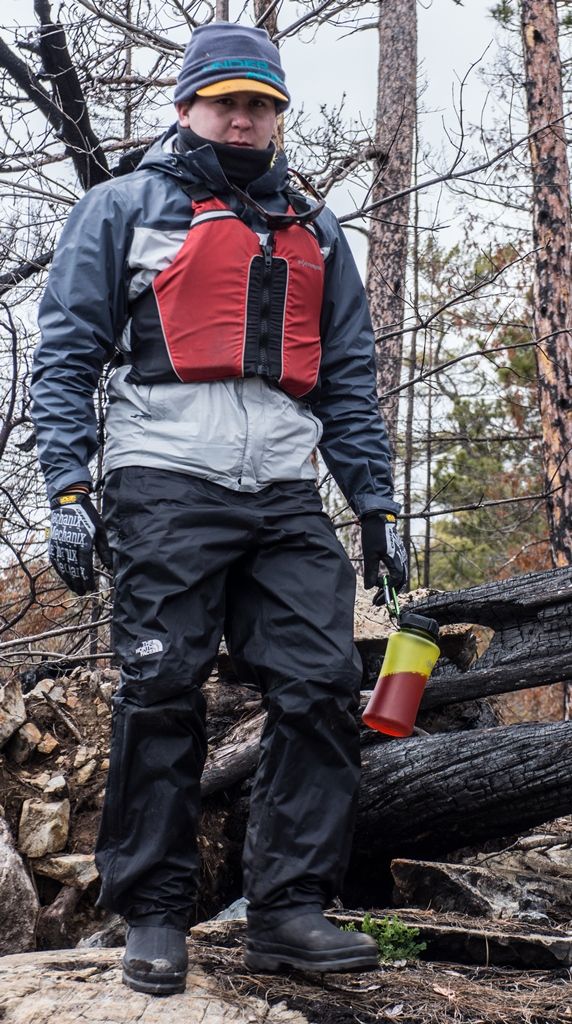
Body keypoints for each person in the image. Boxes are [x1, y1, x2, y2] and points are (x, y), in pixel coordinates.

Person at [31, 22, 408, 997]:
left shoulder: (315, 228)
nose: (243, 119)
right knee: (161, 689)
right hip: (162, 482)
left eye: (260, 105)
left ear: (277, 115)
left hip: (283, 494)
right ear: (187, 106)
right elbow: (65, 356)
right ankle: (154, 913)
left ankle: (288, 909)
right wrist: (68, 488)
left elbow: (349, 380)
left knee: (321, 685)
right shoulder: (121, 208)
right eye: (225, 101)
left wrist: (374, 504)